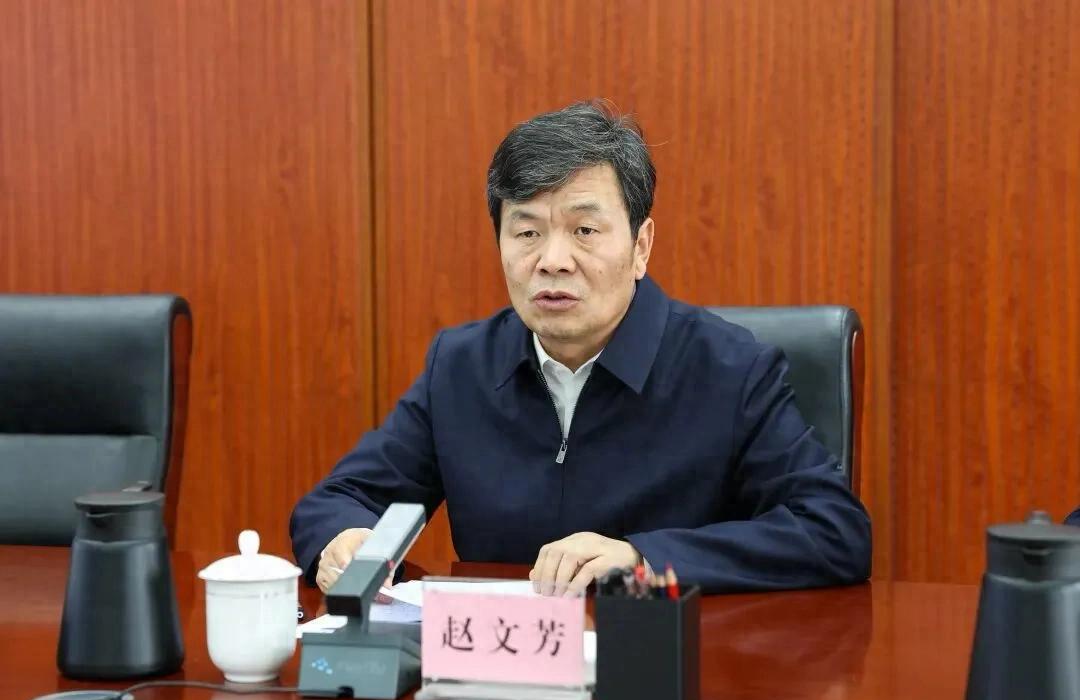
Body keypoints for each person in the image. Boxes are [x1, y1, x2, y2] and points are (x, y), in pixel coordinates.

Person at [290, 99, 872, 596]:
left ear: (641, 246)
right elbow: (339, 499)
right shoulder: (462, 367)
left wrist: (644, 558)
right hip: (504, 667)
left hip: (661, 666)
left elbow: (833, 530)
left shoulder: (729, 368)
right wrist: (346, 539)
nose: (552, 260)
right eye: (527, 232)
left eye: (584, 231)